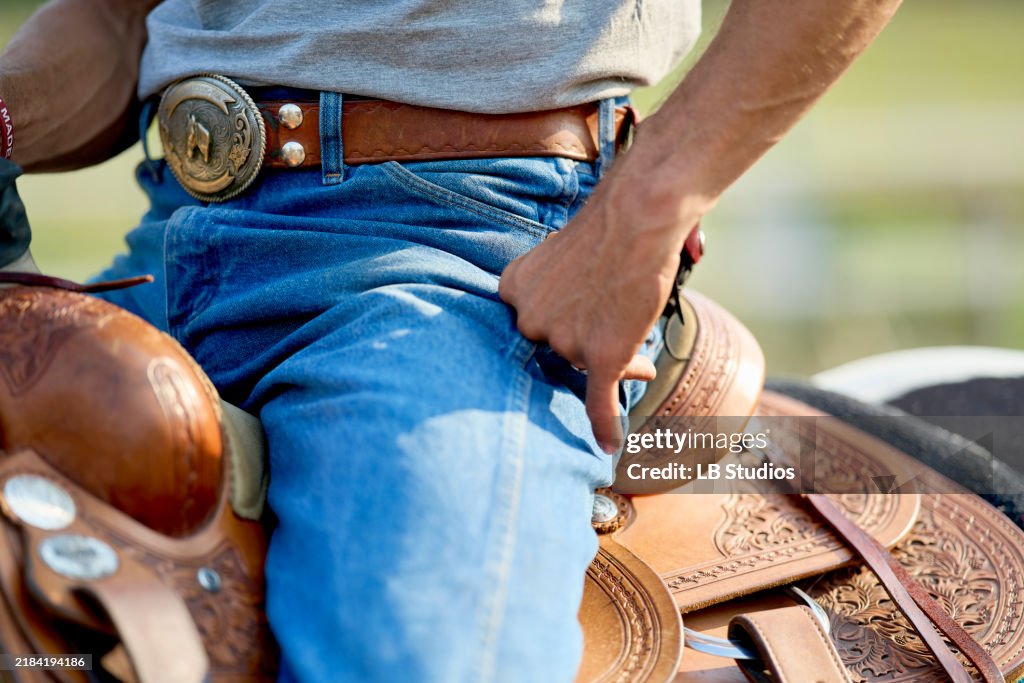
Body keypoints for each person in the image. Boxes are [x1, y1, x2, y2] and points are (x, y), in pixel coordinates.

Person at [0, 1, 902, 680]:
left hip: (466, 250)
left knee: (405, 657)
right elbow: (117, 23)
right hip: (167, 240)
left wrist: (651, 201)